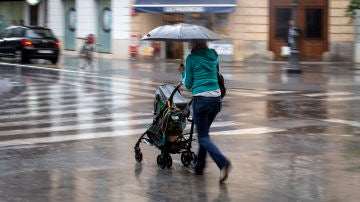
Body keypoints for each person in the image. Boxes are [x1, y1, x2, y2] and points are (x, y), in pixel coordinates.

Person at [178, 39, 231, 183]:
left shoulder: (191, 58)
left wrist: (182, 74)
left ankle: (223, 162)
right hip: (216, 100)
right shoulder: (213, 55)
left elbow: (188, 84)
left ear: (194, 43)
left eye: (190, 42)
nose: (189, 44)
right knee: (204, 134)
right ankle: (199, 167)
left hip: (201, 101)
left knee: (202, 137)